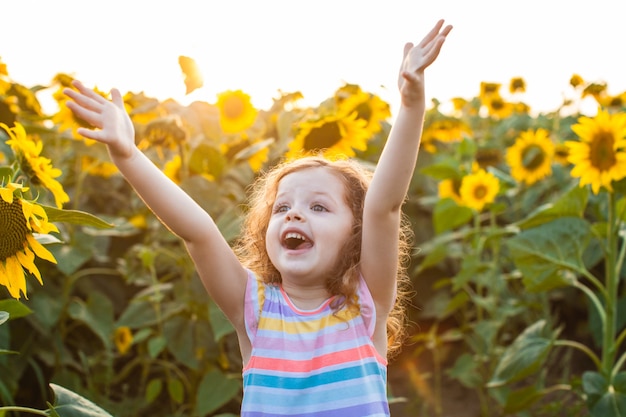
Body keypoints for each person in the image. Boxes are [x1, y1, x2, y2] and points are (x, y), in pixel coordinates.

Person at [64, 19, 452, 417]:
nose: (295, 213)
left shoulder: (364, 306)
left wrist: (410, 105)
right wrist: (129, 156)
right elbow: (198, 232)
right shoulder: (254, 309)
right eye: (282, 207)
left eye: (318, 207)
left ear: (356, 236)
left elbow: (384, 206)